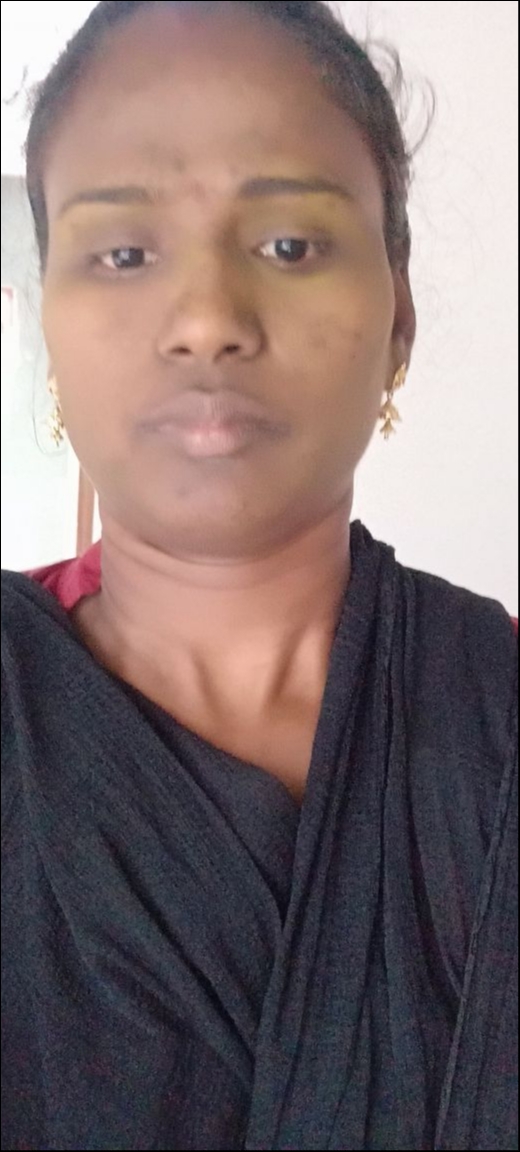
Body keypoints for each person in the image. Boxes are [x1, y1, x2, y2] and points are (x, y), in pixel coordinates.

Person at [1, 3, 517, 1149]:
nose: (206, 320)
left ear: (398, 320)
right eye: (123, 252)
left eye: (290, 246)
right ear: (51, 327)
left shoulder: (497, 710)